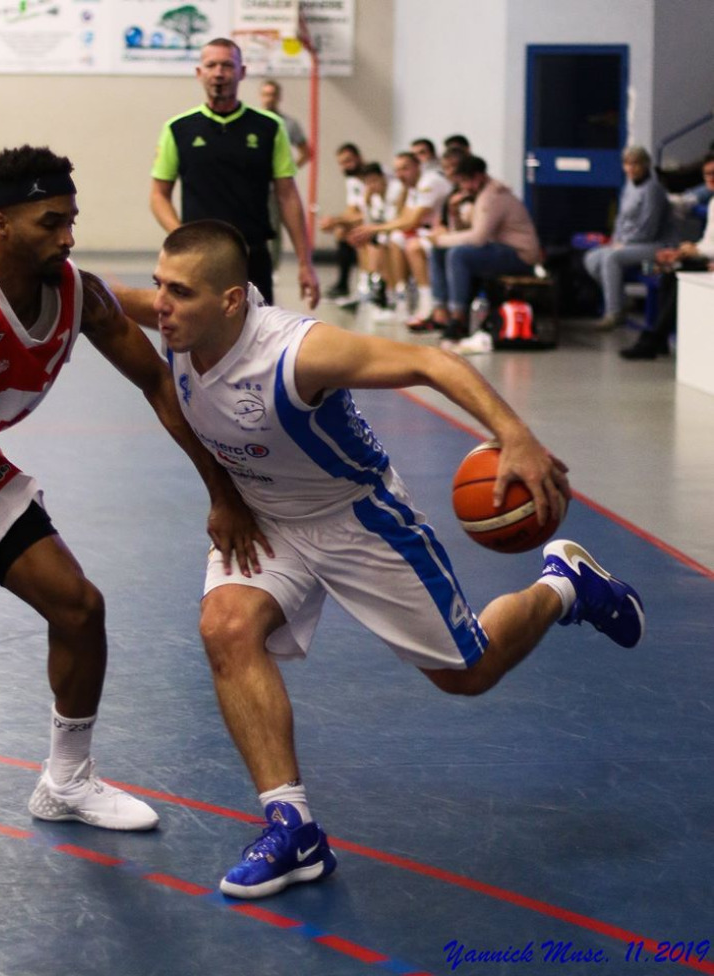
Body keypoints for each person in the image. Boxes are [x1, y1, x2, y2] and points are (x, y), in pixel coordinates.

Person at [144, 218, 645, 900]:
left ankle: (565, 585)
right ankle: (292, 830)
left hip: (356, 519)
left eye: (178, 291)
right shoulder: (174, 322)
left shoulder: (299, 353)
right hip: (267, 519)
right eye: (157, 286)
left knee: (468, 674)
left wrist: (514, 434)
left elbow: (430, 363)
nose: (160, 304)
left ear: (231, 300)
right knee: (225, 627)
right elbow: (85, 298)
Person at [0, 146, 261, 867]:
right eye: (50, 222)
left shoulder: (78, 297)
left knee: (79, 608)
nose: (68, 237)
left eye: (72, 219)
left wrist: (221, 491)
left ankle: (66, 780)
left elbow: (156, 382)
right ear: (0, 223)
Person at [150, 37, 318, 308]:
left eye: (227, 65)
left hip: (252, 256)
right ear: (199, 73)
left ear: (242, 72)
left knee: (257, 330)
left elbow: (287, 196)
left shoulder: (270, 127)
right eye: (211, 65)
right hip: (198, 258)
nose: (219, 73)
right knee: (198, 329)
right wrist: (183, 237)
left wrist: (304, 263)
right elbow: (158, 195)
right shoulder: (178, 129)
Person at [428, 154, 543, 343]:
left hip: (520, 255)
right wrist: (454, 214)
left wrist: (441, 239)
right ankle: (440, 310)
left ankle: (458, 317)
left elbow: (477, 238)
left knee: (458, 254)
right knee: (439, 252)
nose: (464, 187)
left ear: (478, 176)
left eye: (466, 181)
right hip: (497, 249)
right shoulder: (480, 195)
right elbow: (468, 232)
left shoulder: (493, 196)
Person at [621, 152, 714, 359]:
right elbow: (709, 241)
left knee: (677, 277)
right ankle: (659, 338)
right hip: (706, 258)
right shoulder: (713, 203)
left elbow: (707, 248)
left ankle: (654, 338)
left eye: (713, 173)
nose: (710, 178)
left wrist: (697, 250)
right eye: (706, 174)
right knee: (665, 271)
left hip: (709, 262)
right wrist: (682, 251)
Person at [349, 151, 452, 324]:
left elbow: (411, 220)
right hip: (426, 232)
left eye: (405, 169)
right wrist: (375, 228)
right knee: (392, 239)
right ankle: (398, 300)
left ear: (417, 166)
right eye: (397, 170)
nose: (400, 174)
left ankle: (426, 304)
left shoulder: (429, 182)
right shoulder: (411, 187)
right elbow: (403, 217)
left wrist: (375, 228)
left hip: (443, 232)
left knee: (411, 246)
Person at [582, 146, 673, 327]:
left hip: (655, 244)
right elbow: (621, 218)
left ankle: (614, 312)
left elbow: (649, 228)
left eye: (635, 164)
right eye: (627, 164)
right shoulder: (629, 186)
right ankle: (622, 300)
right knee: (591, 258)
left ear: (645, 165)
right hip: (627, 243)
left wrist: (624, 244)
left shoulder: (653, 190)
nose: (631, 169)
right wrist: (616, 239)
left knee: (611, 258)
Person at [259, 78, 311, 274]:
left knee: (273, 228)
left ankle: (272, 269)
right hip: (254, 185)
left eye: (273, 94)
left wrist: (288, 172)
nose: (269, 98)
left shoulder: (288, 124)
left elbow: (306, 152)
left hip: (274, 187)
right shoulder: (253, 122)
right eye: (266, 94)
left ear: (278, 97)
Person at [318, 142, 366, 301]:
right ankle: (343, 285)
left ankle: (366, 286)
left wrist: (337, 221)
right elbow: (352, 210)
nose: (345, 166)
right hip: (365, 219)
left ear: (359, 158)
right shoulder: (352, 181)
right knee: (341, 231)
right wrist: (335, 222)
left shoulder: (373, 177)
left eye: (348, 161)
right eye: (342, 163)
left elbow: (369, 213)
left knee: (356, 234)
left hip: (375, 220)